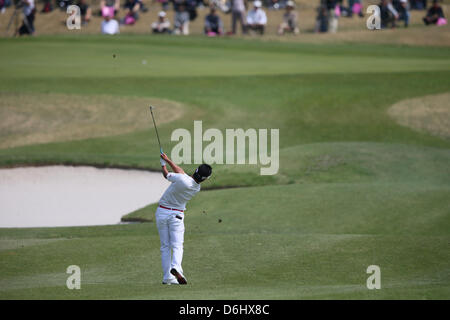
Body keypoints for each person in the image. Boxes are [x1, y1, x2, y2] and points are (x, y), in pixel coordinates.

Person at [157, 153, 212, 285]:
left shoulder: (182, 179)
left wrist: (163, 164)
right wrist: (168, 160)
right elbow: (182, 174)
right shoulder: (196, 187)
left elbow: (166, 175)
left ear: (196, 170)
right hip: (176, 215)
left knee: (165, 246)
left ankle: (167, 277)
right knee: (177, 245)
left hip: (162, 212)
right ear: (204, 179)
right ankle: (176, 267)